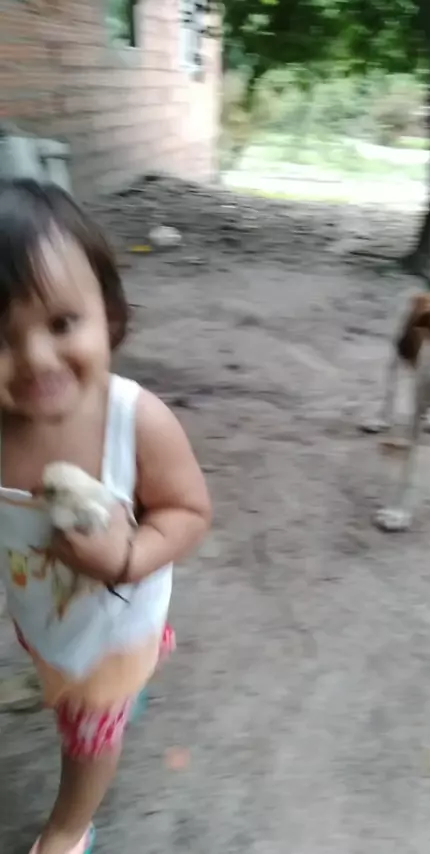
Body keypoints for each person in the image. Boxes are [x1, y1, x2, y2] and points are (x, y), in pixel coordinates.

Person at [0, 179, 212, 854]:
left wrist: (125, 558)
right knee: (58, 672)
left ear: (108, 315)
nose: (36, 359)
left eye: (62, 324)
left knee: (90, 734)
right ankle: (68, 686)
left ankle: (69, 828)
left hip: (114, 628)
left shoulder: (135, 421)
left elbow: (188, 511)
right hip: (42, 614)